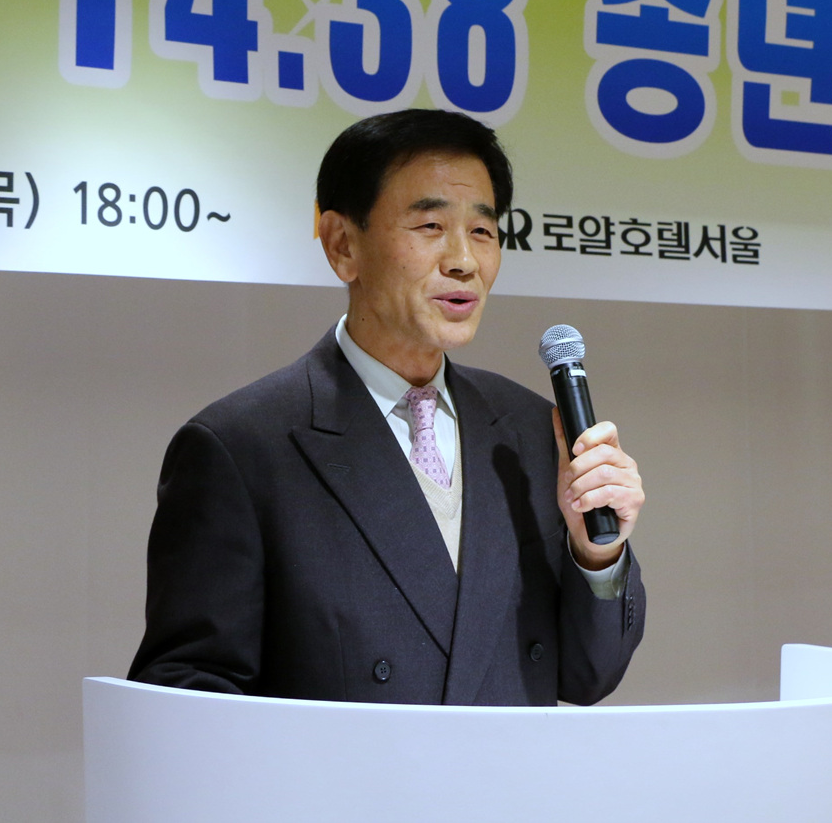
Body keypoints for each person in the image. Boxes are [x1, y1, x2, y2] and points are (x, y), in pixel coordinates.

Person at [128, 108, 646, 705]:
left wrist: (596, 553)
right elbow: (189, 694)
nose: (464, 260)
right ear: (342, 245)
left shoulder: (531, 431)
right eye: (430, 225)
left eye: (483, 231)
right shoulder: (242, 447)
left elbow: (588, 678)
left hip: (509, 769)